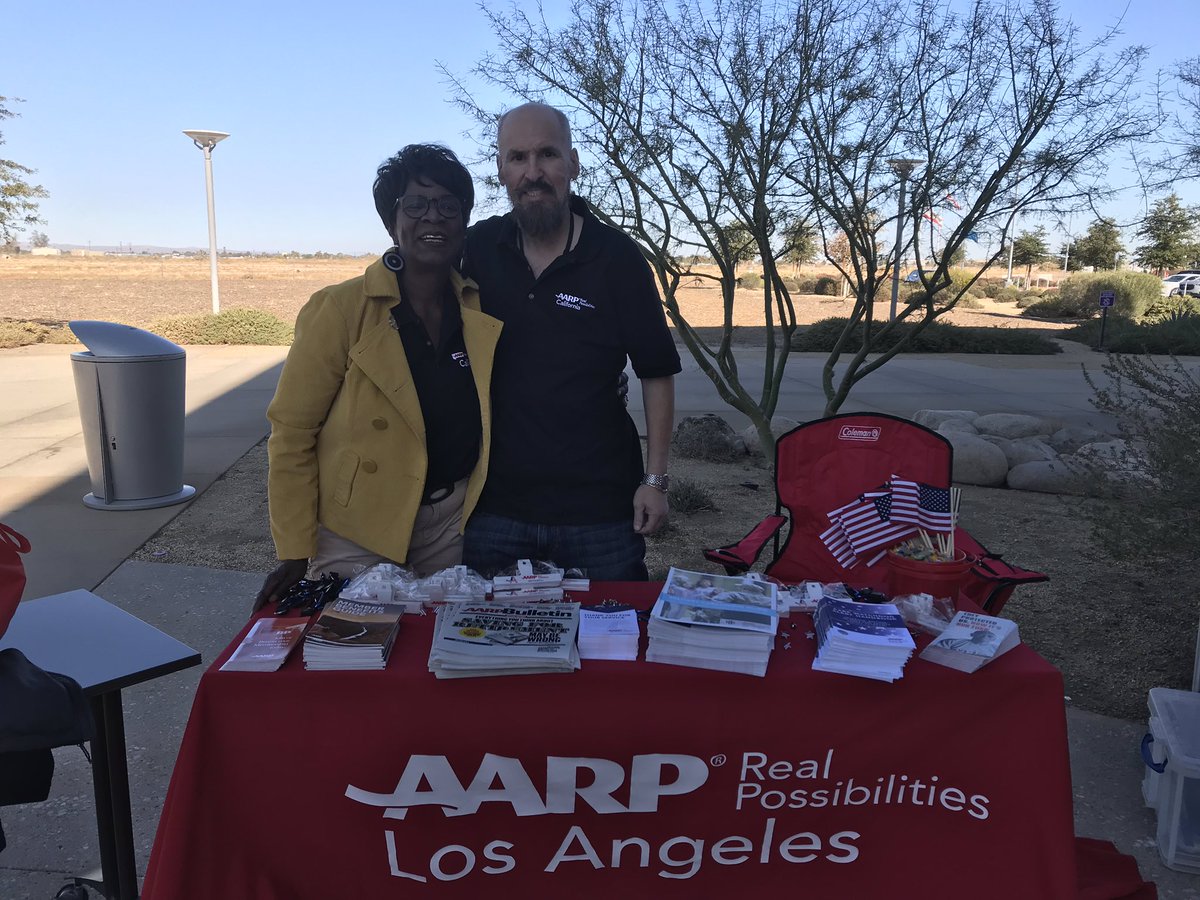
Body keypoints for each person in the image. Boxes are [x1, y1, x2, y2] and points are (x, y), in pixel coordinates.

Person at [254, 144, 502, 612]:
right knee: (353, 660)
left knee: (433, 663)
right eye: (416, 205)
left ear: (464, 222)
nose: (434, 217)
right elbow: (291, 432)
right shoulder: (340, 309)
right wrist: (294, 549)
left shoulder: (476, 308)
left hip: (450, 526)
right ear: (392, 222)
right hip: (358, 528)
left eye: (449, 206)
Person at [462, 102, 681, 580]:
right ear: (501, 170)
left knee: (611, 646)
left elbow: (656, 372)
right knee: (489, 650)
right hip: (494, 510)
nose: (533, 172)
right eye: (517, 158)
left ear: (574, 164)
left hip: (599, 513)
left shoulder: (617, 258)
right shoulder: (476, 251)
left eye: (548, 155)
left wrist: (656, 480)